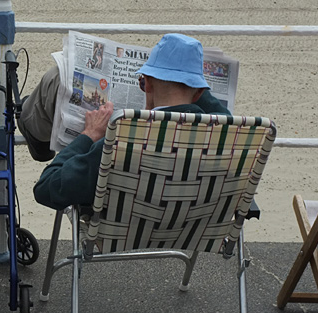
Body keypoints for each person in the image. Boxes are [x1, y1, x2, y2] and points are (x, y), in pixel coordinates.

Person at [25, 33, 230, 211]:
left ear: (146, 83)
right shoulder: (227, 140)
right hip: (190, 233)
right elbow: (223, 115)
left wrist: (88, 136)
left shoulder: (121, 142)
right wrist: (189, 80)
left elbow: (46, 189)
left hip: (119, 235)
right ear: (199, 93)